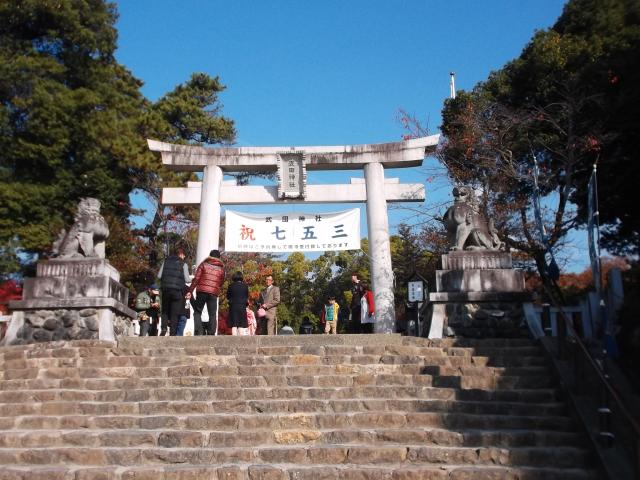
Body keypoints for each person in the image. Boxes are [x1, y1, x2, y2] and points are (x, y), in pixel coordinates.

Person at [186, 249, 225, 335]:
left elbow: (196, 279)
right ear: (219, 258)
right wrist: (215, 287)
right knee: (212, 314)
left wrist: (190, 291)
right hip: (213, 292)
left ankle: (199, 331)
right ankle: (211, 333)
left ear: (210, 256)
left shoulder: (203, 264)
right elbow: (221, 281)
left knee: (197, 311)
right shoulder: (221, 268)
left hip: (202, 291)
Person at [158, 247, 190, 336]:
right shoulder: (184, 264)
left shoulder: (166, 261)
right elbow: (187, 279)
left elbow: (159, 276)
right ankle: (172, 333)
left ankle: (163, 329)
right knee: (174, 313)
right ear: (181, 254)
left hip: (165, 289)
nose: (184, 257)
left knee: (165, 310)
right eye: (184, 255)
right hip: (177, 291)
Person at [227, 271, 249, 336]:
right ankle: (241, 340)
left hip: (233, 306)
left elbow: (228, 296)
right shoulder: (245, 286)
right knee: (241, 325)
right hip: (242, 306)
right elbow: (247, 296)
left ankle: (233, 340)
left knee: (234, 324)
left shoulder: (230, 286)